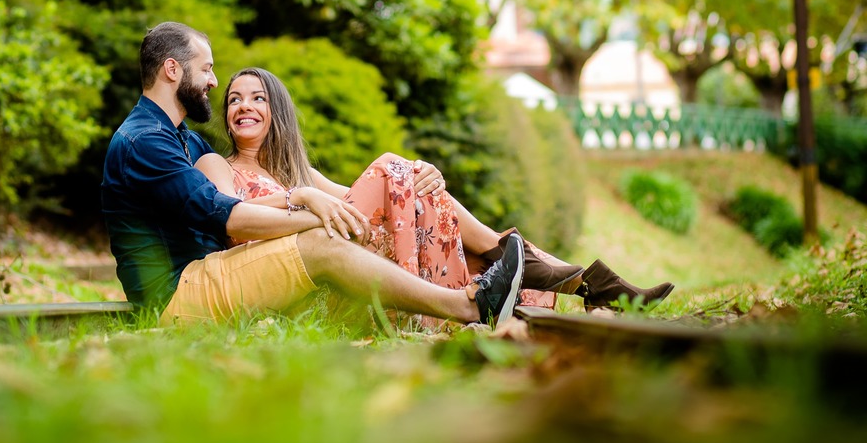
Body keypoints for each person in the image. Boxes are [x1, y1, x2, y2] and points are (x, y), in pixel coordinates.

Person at [101, 22, 526, 328]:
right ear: (173, 70)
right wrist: (316, 209)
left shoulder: (187, 141)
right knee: (324, 242)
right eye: (206, 69)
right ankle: (468, 306)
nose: (213, 80)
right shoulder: (144, 142)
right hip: (177, 295)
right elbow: (227, 216)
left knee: (365, 208)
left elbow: (236, 206)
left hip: (214, 270)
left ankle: (513, 270)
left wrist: (306, 199)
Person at [196, 67, 674, 314]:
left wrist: (427, 184)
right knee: (389, 165)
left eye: (258, 97)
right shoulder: (217, 163)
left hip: (349, 260)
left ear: (277, 111)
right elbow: (234, 220)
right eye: (234, 98)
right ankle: (552, 270)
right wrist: (302, 199)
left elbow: (365, 199)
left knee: (410, 179)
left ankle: (576, 280)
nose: (244, 106)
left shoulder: (298, 172)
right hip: (302, 280)